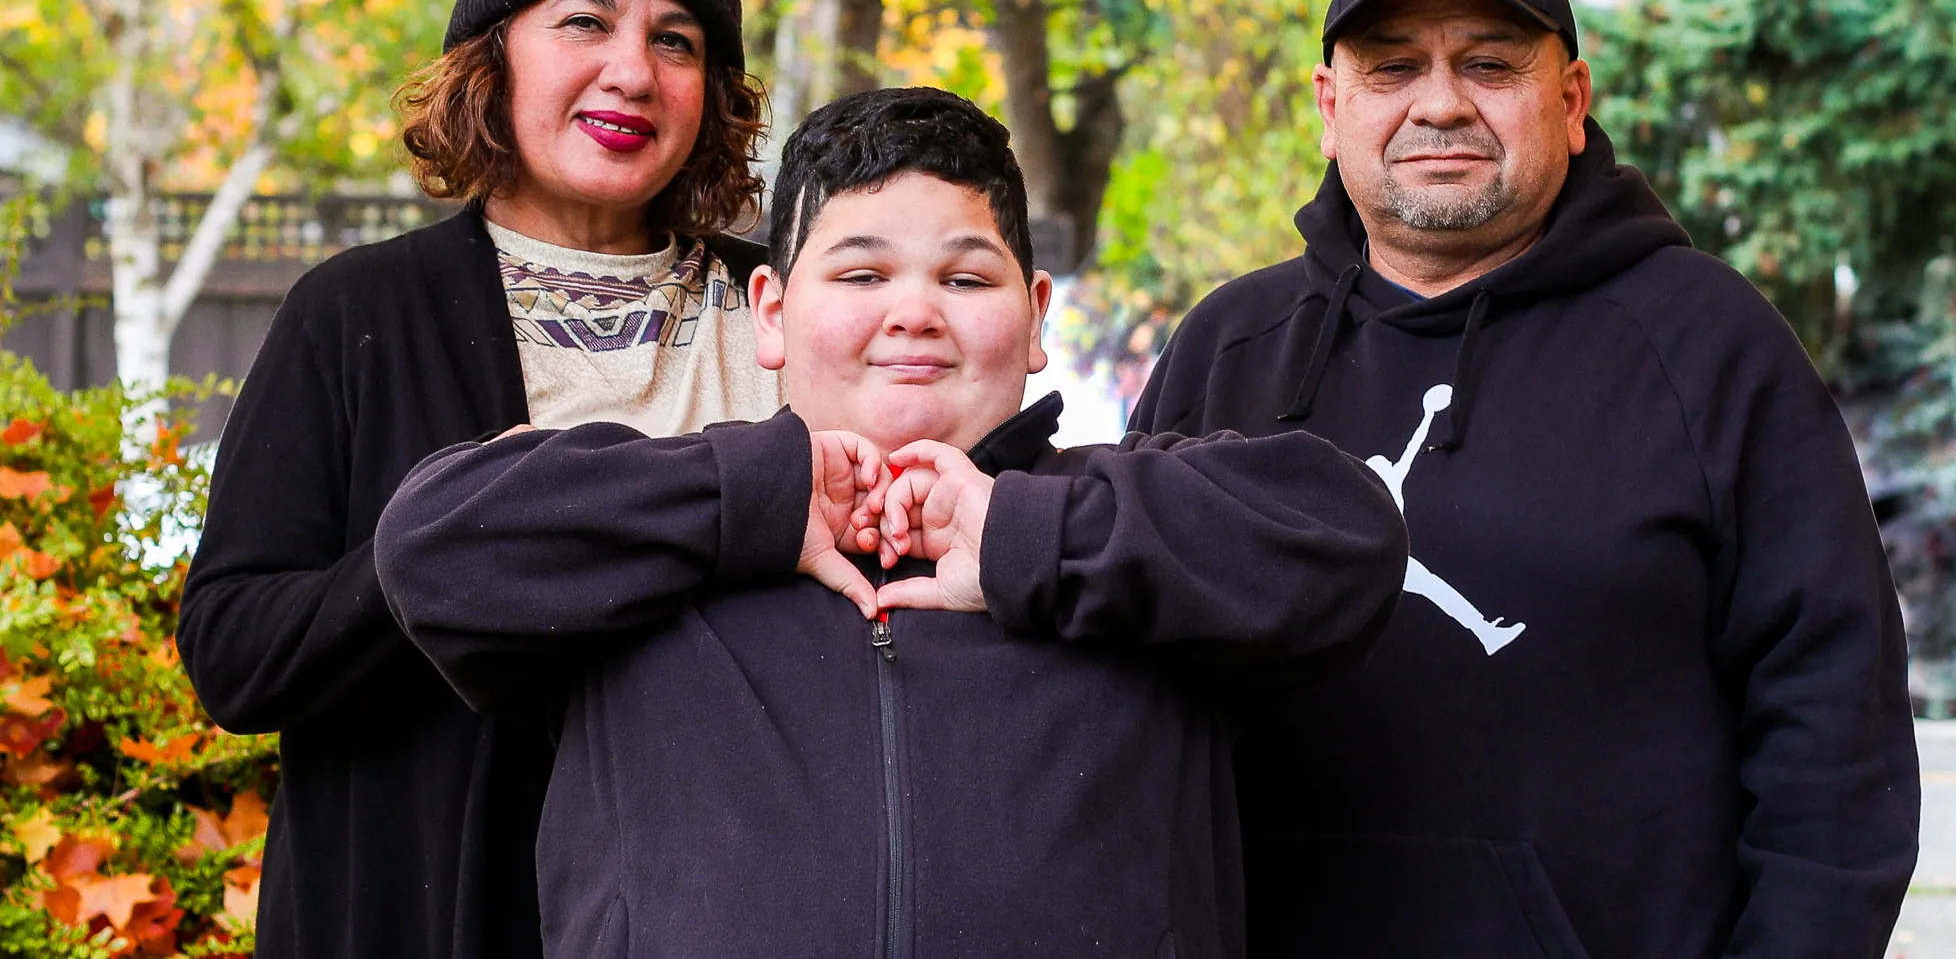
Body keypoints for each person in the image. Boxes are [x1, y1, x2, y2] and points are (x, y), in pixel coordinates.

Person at [373, 87, 1410, 959]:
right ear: (769, 310)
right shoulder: (656, 529)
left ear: (1035, 315)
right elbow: (428, 546)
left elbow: (1345, 543)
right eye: (862, 273)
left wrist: (1018, 536)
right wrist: (761, 502)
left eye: (964, 277)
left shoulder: (1126, 525)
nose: (913, 311)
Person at [1133, 0, 1920, 958]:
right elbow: (1121, 689)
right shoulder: (1227, 350)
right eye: (1392, 66)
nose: (1439, 104)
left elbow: (1835, 731)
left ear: (1570, 96)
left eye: (1489, 64)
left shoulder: (1705, 345)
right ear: (1329, 105)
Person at [176, 0, 783, 959]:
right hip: (436, 912)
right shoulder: (357, 313)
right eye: (585, 21)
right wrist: (445, 550)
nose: (632, 73)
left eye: (677, 39)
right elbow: (235, 649)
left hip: (741, 900)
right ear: (492, 53)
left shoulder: (791, 301)